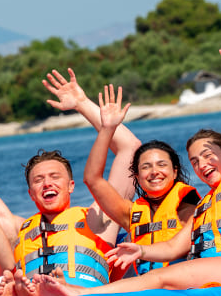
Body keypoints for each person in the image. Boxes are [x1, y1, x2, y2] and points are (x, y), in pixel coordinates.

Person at [32, 42, 221, 296]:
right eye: (195, 161)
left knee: (158, 278)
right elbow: (172, 247)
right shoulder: (205, 208)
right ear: (136, 176)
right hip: (210, 276)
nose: (202, 164)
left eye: (207, 155)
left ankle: (84, 295)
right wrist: (141, 251)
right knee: (156, 279)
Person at [0, 70, 139, 296]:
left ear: (71, 186)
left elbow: (130, 150)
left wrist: (82, 104)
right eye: (38, 180)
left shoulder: (98, 219)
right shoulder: (18, 232)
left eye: (55, 177)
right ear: (31, 193)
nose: (46, 184)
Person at [82, 83, 200, 276]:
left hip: (179, 286)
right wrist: (107, 129)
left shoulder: (191, 208)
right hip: (144, 289)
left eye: (162, 165)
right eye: (146, 167)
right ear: (136, 176)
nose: (154, 172)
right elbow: (92, 179)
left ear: (174, 171)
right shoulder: (131, 214)